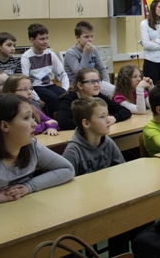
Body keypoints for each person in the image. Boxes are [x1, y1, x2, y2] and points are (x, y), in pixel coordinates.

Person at [61, 96, 131, 255]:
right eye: (102, 117)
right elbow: (66, 192)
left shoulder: (107, 141)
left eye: (107, 115)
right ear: (86, 123)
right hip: (85, 209)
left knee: (129, 223)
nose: (108, 120)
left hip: (107, 201)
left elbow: (123, 170)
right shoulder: (73, 151)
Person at [58, 68, 131, 131]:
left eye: (98, 81)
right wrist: (94, 123)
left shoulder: (97, 96)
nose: (97, 85)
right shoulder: (68, 100)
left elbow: (124, 110)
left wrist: (114, 118)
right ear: (80, 85)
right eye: (91, 82)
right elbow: (63, 122)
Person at [21, 23, 69, 117]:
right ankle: (54, 120)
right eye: (42, 39)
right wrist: (37, 98)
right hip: (36, 86)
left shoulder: (50, 54)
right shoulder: (26, 57)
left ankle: (66, 119)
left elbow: (62, 74)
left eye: (47, 38)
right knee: (52, 98)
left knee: (65, 96)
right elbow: (25, 81)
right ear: (32, 40)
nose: (46, 41)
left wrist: (65, 89)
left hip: (49, 85)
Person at [63, 21, 115, 97]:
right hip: (79, 85)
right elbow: (80, 75)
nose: (90, 39)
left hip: (94, 82)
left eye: (91, 36)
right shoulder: (71, 53)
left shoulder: (94, 49)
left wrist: (107, 84)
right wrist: (85, 54)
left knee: (114, 91)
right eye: (86, 37)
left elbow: (102, 69)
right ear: (77, 38)